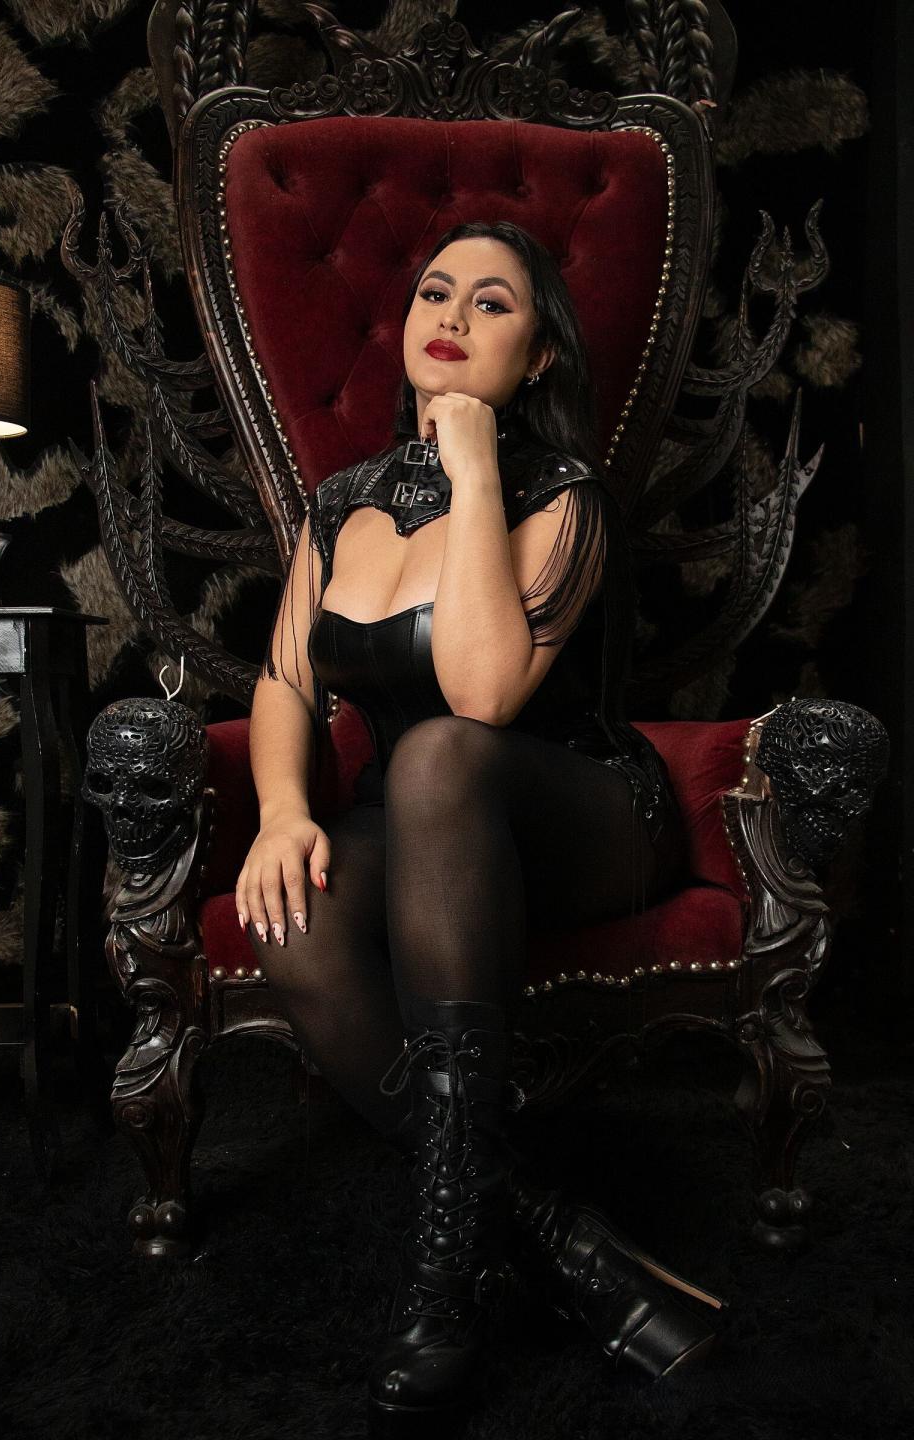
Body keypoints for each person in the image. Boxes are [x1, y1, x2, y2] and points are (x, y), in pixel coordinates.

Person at [236, 221, 723, 1436]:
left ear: (540, 354)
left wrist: (472, 467)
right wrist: (283, 813)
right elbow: (288, 680)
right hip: (417, 832)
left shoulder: (563, 496)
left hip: (579, 815)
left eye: (493, 303)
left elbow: (485, 694)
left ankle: (445, 1282)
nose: (451, 314)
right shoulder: (340, 505)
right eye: (434, 291)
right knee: (292, 922)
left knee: (443, 753)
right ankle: (551, 1233)